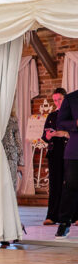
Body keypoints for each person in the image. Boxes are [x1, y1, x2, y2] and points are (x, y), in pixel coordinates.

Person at [53, 89, 78, 238]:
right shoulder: (72, 98)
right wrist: (75, 123)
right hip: (75, 151)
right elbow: (60, 122)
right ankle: (64, 223)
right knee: (71, 186)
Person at [44, 88, 68, 225]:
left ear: (65, 99)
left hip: (70, 152)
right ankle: (52, 216)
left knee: (71, 185)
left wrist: (62, 133)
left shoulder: (72, 115)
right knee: (54, 185)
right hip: (54, 154)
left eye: (59, 99)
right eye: (54, 100)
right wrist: (48, 136)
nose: (57, 102)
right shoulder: (51, 116)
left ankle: (74, 216)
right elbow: (44, 136)